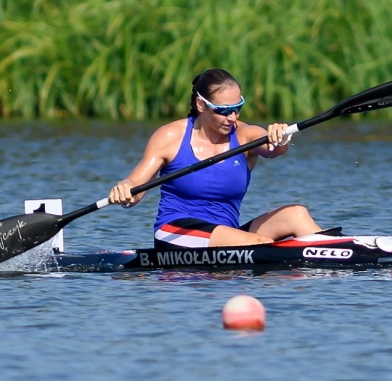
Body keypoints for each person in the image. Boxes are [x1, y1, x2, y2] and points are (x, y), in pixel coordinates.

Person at [108, 68, 323, 248]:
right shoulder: (171, 136)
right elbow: (136, 185)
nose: (232, 117)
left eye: (237, 109)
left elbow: (273, 148)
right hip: (175, 233)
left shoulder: (244, 135)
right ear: (201, 105)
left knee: (296, 214)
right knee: (260, 243)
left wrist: (280, 138)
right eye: (223, 110)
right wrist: (125, 188)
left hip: (227, 235)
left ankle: (338, 257)